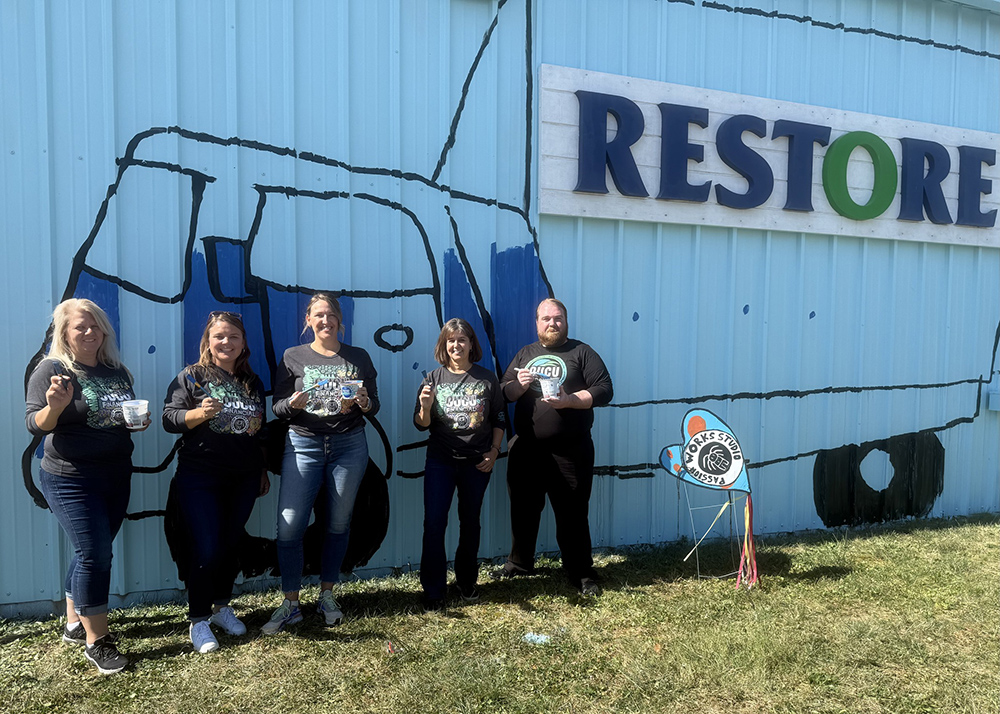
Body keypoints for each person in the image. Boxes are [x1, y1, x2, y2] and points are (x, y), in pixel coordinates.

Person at [25, 298, 150, 674]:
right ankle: (98, 642)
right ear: (64, 331)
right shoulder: (51, 370)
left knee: (90, 550)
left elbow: (120, 415)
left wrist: (135, 424)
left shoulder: (117, 371)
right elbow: (35, 424)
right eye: (81, 326)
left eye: (95, 325)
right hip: (70, 477)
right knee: (95, 553)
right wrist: (54, 406)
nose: (90, 332)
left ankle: (74, 623)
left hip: (115, 473)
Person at [263, 293, 378, 633]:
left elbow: (374, 406)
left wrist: (364, 400)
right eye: (318, 315)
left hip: (349, 445)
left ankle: (327, 594)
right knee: (290, 525)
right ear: (308, 321)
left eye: (330, 315)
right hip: (303, 444)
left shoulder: (358, 357)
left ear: (340, 320)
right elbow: (278, 408)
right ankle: (291, 603)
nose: (325, 320)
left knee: (338, 522)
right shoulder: (292, 357)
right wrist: (293, 403)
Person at [161, 311, 270, 653]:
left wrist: (262, 470)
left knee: (230, 542)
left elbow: (259, 432)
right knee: (206, 547)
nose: (226, 342)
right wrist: (199, 414)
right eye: (219, 336)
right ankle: (198, 620)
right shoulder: (192, 377)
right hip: (201, 476)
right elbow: (170, 419)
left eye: (233, 336)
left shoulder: (253, 382)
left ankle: (222, 608)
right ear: (208, 340)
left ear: (243, 343)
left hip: (245, 477)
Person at [492, 298, 613, 596]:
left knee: (572, 512)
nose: (552, 323)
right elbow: (503, 393)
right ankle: (519, 564)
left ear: (566, 321)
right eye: (545, 318)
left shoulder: (581, 352)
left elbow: (604, 390)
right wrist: (517, 386)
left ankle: (580, 571)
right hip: (527, 448)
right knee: (523, 510)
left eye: (557, 318)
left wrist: (570, 400)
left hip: (572, 450)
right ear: (536, 323)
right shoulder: (525, 354)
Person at [414, 319, 506, 610]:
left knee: (470, 522)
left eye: (462, 340)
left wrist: (493, 451)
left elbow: (499, 419)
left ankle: (467, 581)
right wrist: (425, 407)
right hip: (440, 461)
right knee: (434, 524)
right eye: (451, 340)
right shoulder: (432, 379)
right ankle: (433, 591)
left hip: (476, 464)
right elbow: (421, 425)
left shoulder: (487, 379)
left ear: (471, 344)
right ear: (444, 345)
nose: (457, 345)